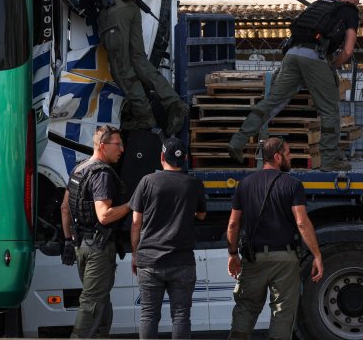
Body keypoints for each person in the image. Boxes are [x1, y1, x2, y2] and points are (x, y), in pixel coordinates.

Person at [227, 0, 361, 172]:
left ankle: (238, 141)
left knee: (272, 102)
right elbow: (347, 51)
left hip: (291, 55)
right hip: (314, 57)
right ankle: (329, 159)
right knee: (329, 110)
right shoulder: (350, 11)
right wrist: (330, 66)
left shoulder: (320, 4)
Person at [49, 0, 189, 134]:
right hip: (129, 6)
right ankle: (174, 103)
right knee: (139, 61)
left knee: (121, 69)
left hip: (112, 14)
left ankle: (145, 118)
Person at [226, 137, 324, 340]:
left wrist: (232, 253)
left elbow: (233, 224)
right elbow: (302, 222)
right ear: (277, 157)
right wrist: (316, 255)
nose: (291, 157)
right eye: (288, 154)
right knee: (282, 313)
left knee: (246, 308)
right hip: (285, 259)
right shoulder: (293, 185)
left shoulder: (244, 185)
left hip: (254, 259)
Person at [128, 138, 207, 339]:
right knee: (181, 316)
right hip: (182, 262)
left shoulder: (147, 181)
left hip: (150, 260)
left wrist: (135, 254)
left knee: (149, 315)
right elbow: (202, 215)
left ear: (162, 157)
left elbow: (136, 221)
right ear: (186, 158)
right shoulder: (194, 184)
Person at [60, 125, 131, 338]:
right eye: (117, 144)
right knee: (92, 303)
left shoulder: (79, 169)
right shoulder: (102, 174)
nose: (122, 149)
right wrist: (132, 205)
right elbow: (105, 215)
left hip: (81, 246)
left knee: (101, 304)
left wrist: (67, 241)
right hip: (98, 249)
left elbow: (64, 208)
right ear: (102, 146)